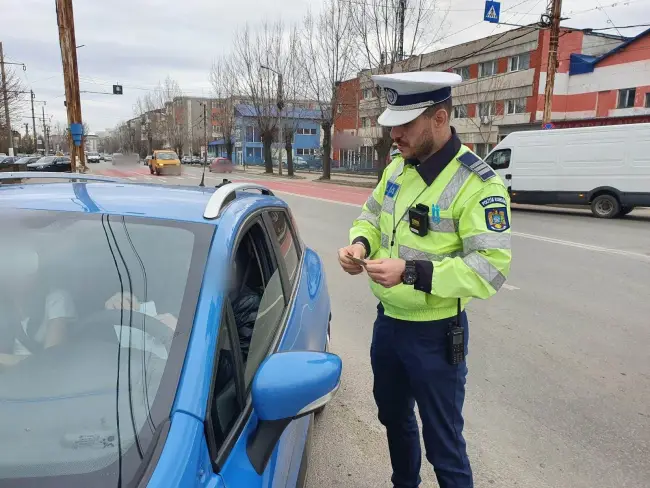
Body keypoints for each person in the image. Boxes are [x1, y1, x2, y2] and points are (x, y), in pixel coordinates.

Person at [337, 71, 512, 488]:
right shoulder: (397, 168)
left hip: (436, 335)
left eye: (405, 125)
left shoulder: (478, 184)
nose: (394, 134)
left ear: (439, 118)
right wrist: (360, 244)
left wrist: (411, 272)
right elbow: (371, 218)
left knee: (443, 445)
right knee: (394, 419)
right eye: (392, 124)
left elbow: (490, 268)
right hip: (390, 324)